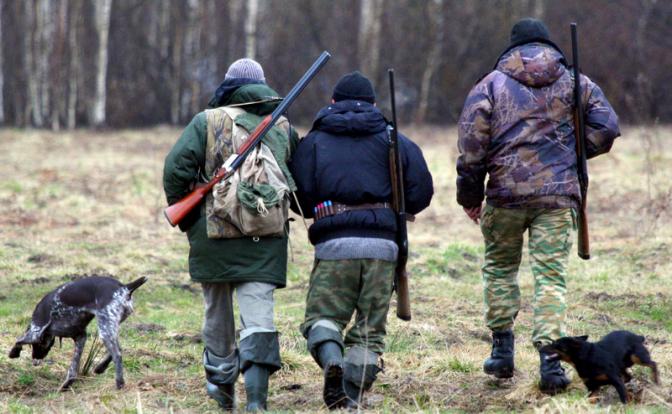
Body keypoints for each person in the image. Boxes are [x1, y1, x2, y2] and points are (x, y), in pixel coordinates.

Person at [456, 18, 620, 393]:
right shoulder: (575, 81)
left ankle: (501, 352)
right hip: (557, 197)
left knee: (500, 269)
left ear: (511, 47)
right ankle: (550, 362)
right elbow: (607, 126)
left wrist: (470, 196)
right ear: (549, 46)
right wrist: (572, 154)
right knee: (550, 278)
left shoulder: (489, 85)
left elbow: (471, 145)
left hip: (505, 195)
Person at [289, 71, 433, 409]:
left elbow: (299, 196)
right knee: (369, 333)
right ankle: (350, 399)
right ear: (374, 104)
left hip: (334, 245)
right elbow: (421, 192)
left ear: (333, 102)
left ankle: (332, 361)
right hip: (383, 247)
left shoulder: (314, 141)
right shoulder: (394, 139)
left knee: (322, 319)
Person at [163, 58, 298, 411]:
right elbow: (297, 177)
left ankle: (223, 390)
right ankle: (257, 401)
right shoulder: (282, 125)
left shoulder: (205, 121)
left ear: (227, 85)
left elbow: (175, 170)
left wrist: (191, 217)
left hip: (214, 237)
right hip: (266, 236)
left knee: (217, 315)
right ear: (263, 85)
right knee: (259, 317)